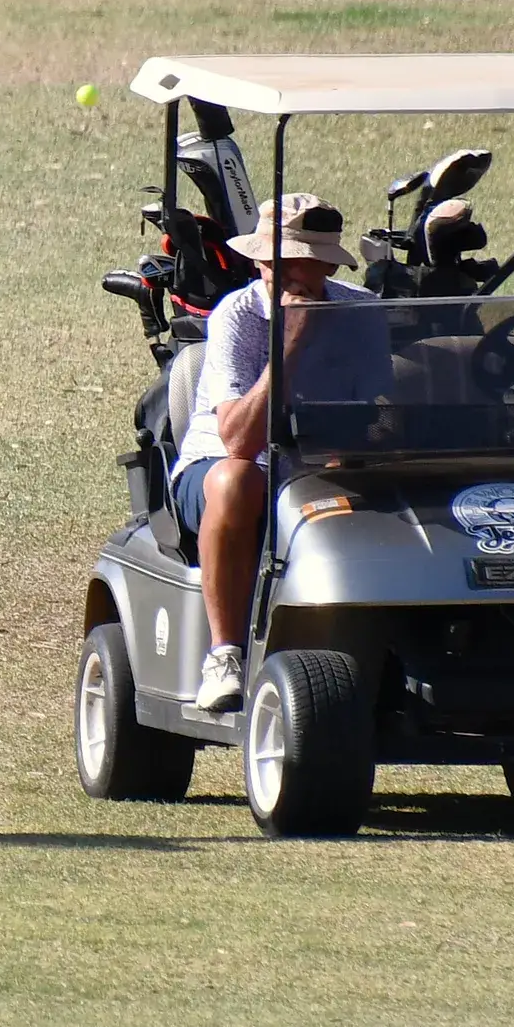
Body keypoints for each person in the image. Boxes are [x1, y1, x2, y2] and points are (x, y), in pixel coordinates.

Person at [166, 193, 390, 712]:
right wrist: (289, 346)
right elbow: (239, 440)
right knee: (238, 480)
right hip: (226, 472)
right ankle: (225, 654)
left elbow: (381, 411)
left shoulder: (362, 312)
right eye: (277, 262)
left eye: (304, 263)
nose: (290, 275)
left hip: (318, 468)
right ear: (260, 263)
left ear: (327, 264)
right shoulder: (238, 317)